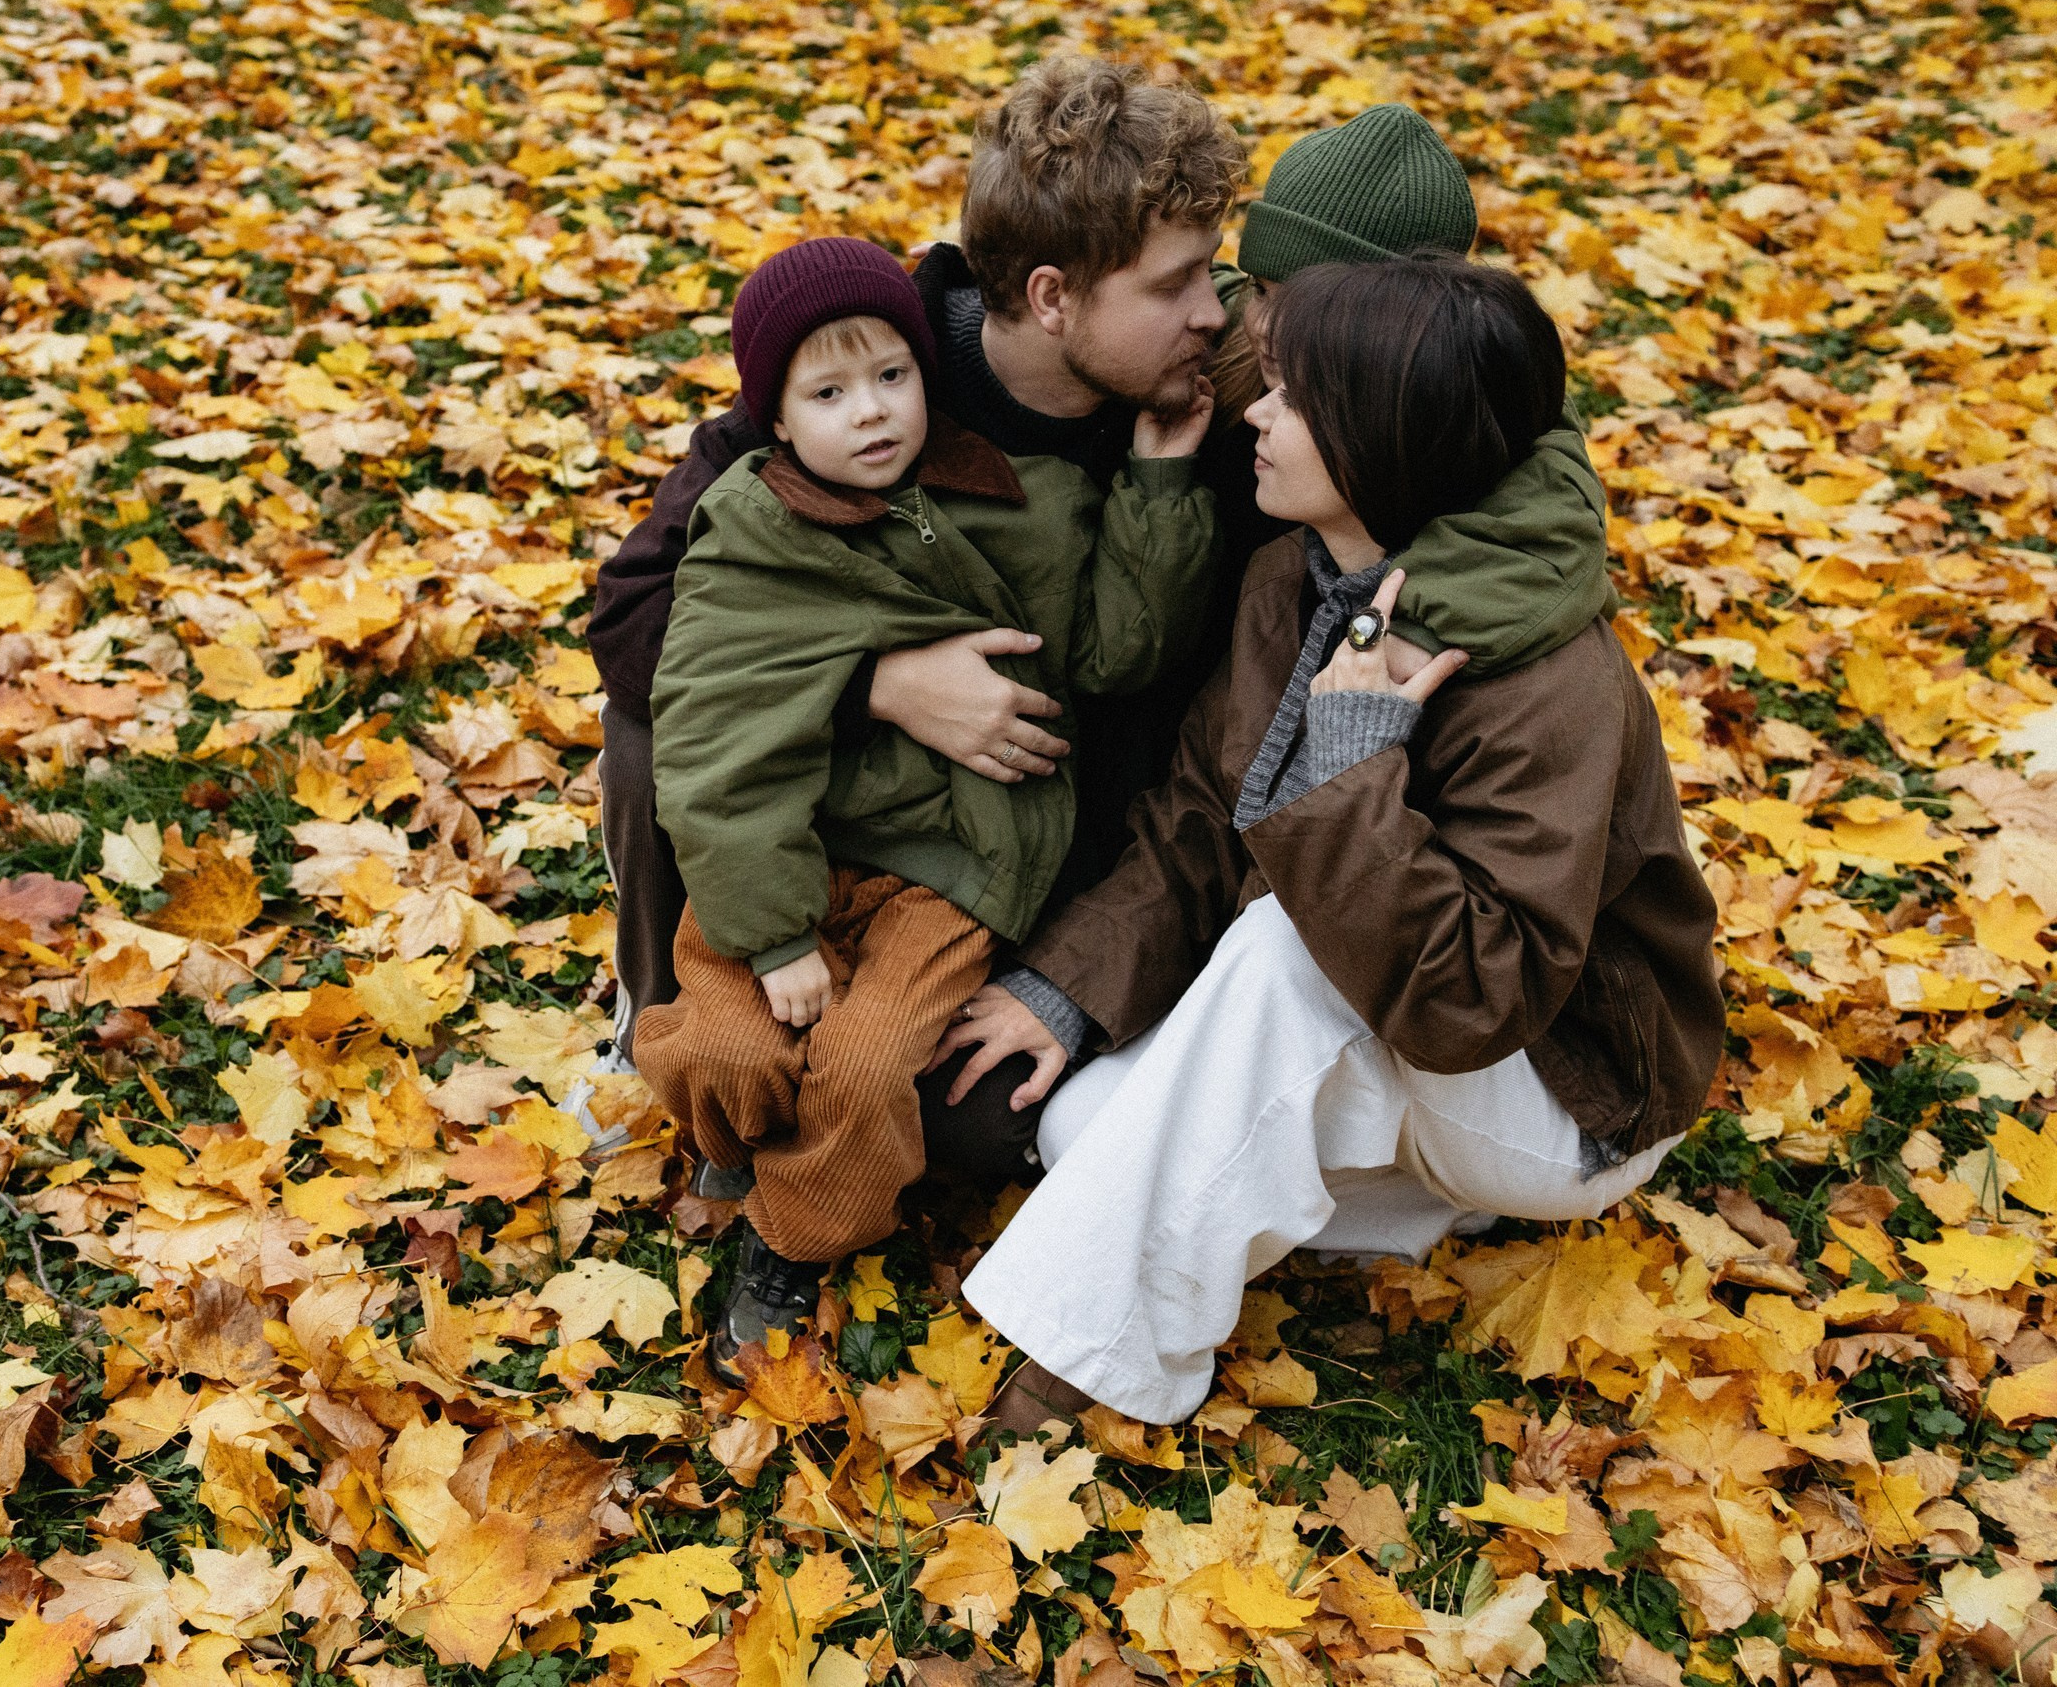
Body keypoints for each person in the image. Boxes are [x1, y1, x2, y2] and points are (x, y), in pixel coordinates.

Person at [591, 74, 1620, 1174]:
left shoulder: (1245, 400)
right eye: (1179, 283)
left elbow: (1514, 441)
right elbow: (639, 610)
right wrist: (879, 685)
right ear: (1049, 297)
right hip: (848, 784)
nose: (1215, 311)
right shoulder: (868, 376)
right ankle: (660, 1016)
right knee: (650, 732)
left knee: (970, 1122)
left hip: (1065, 827)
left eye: (1219, 272)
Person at [936, 257, 1724, 1430]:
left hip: (1564, 1089)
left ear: (1379, 440)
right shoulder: (1295, 579)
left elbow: (1470, 998)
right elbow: (1200, 819)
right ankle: (1405, 1209)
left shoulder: (1547, 679)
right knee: (1080, 1127)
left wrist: (1356, 767)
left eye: (1291, 398)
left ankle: (1088, 1368)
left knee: (1278, 950)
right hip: (1392, 1032)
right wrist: (1068, 987)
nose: (1253, 413)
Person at [631, 235, 1218, 1376]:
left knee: (861, 1069)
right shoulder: (751, 527)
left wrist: (1156, 485)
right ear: (774, 418)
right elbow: (710, 740)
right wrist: (774, 933)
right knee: (725, 1044)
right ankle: (737, 1137)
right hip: (794, 855)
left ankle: (794, 1238)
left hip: (951, 868)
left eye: (892, 375)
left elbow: (1117, 650)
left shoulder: (1020, 494)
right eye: (828, 393)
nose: (871, 411)